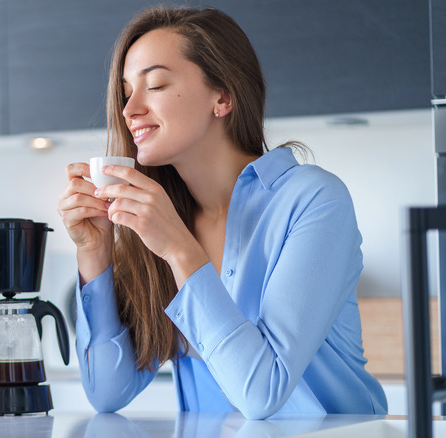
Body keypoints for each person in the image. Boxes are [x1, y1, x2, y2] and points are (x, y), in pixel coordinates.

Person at [56, 5, 387, 419]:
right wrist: (95, 251)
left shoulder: (314, 201)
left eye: (155, 84)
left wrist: (180, 251)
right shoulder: (163, 220)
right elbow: (107, 392)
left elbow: (262, 393)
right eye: (126, 93)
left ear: (223, 97)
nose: (129, 109)